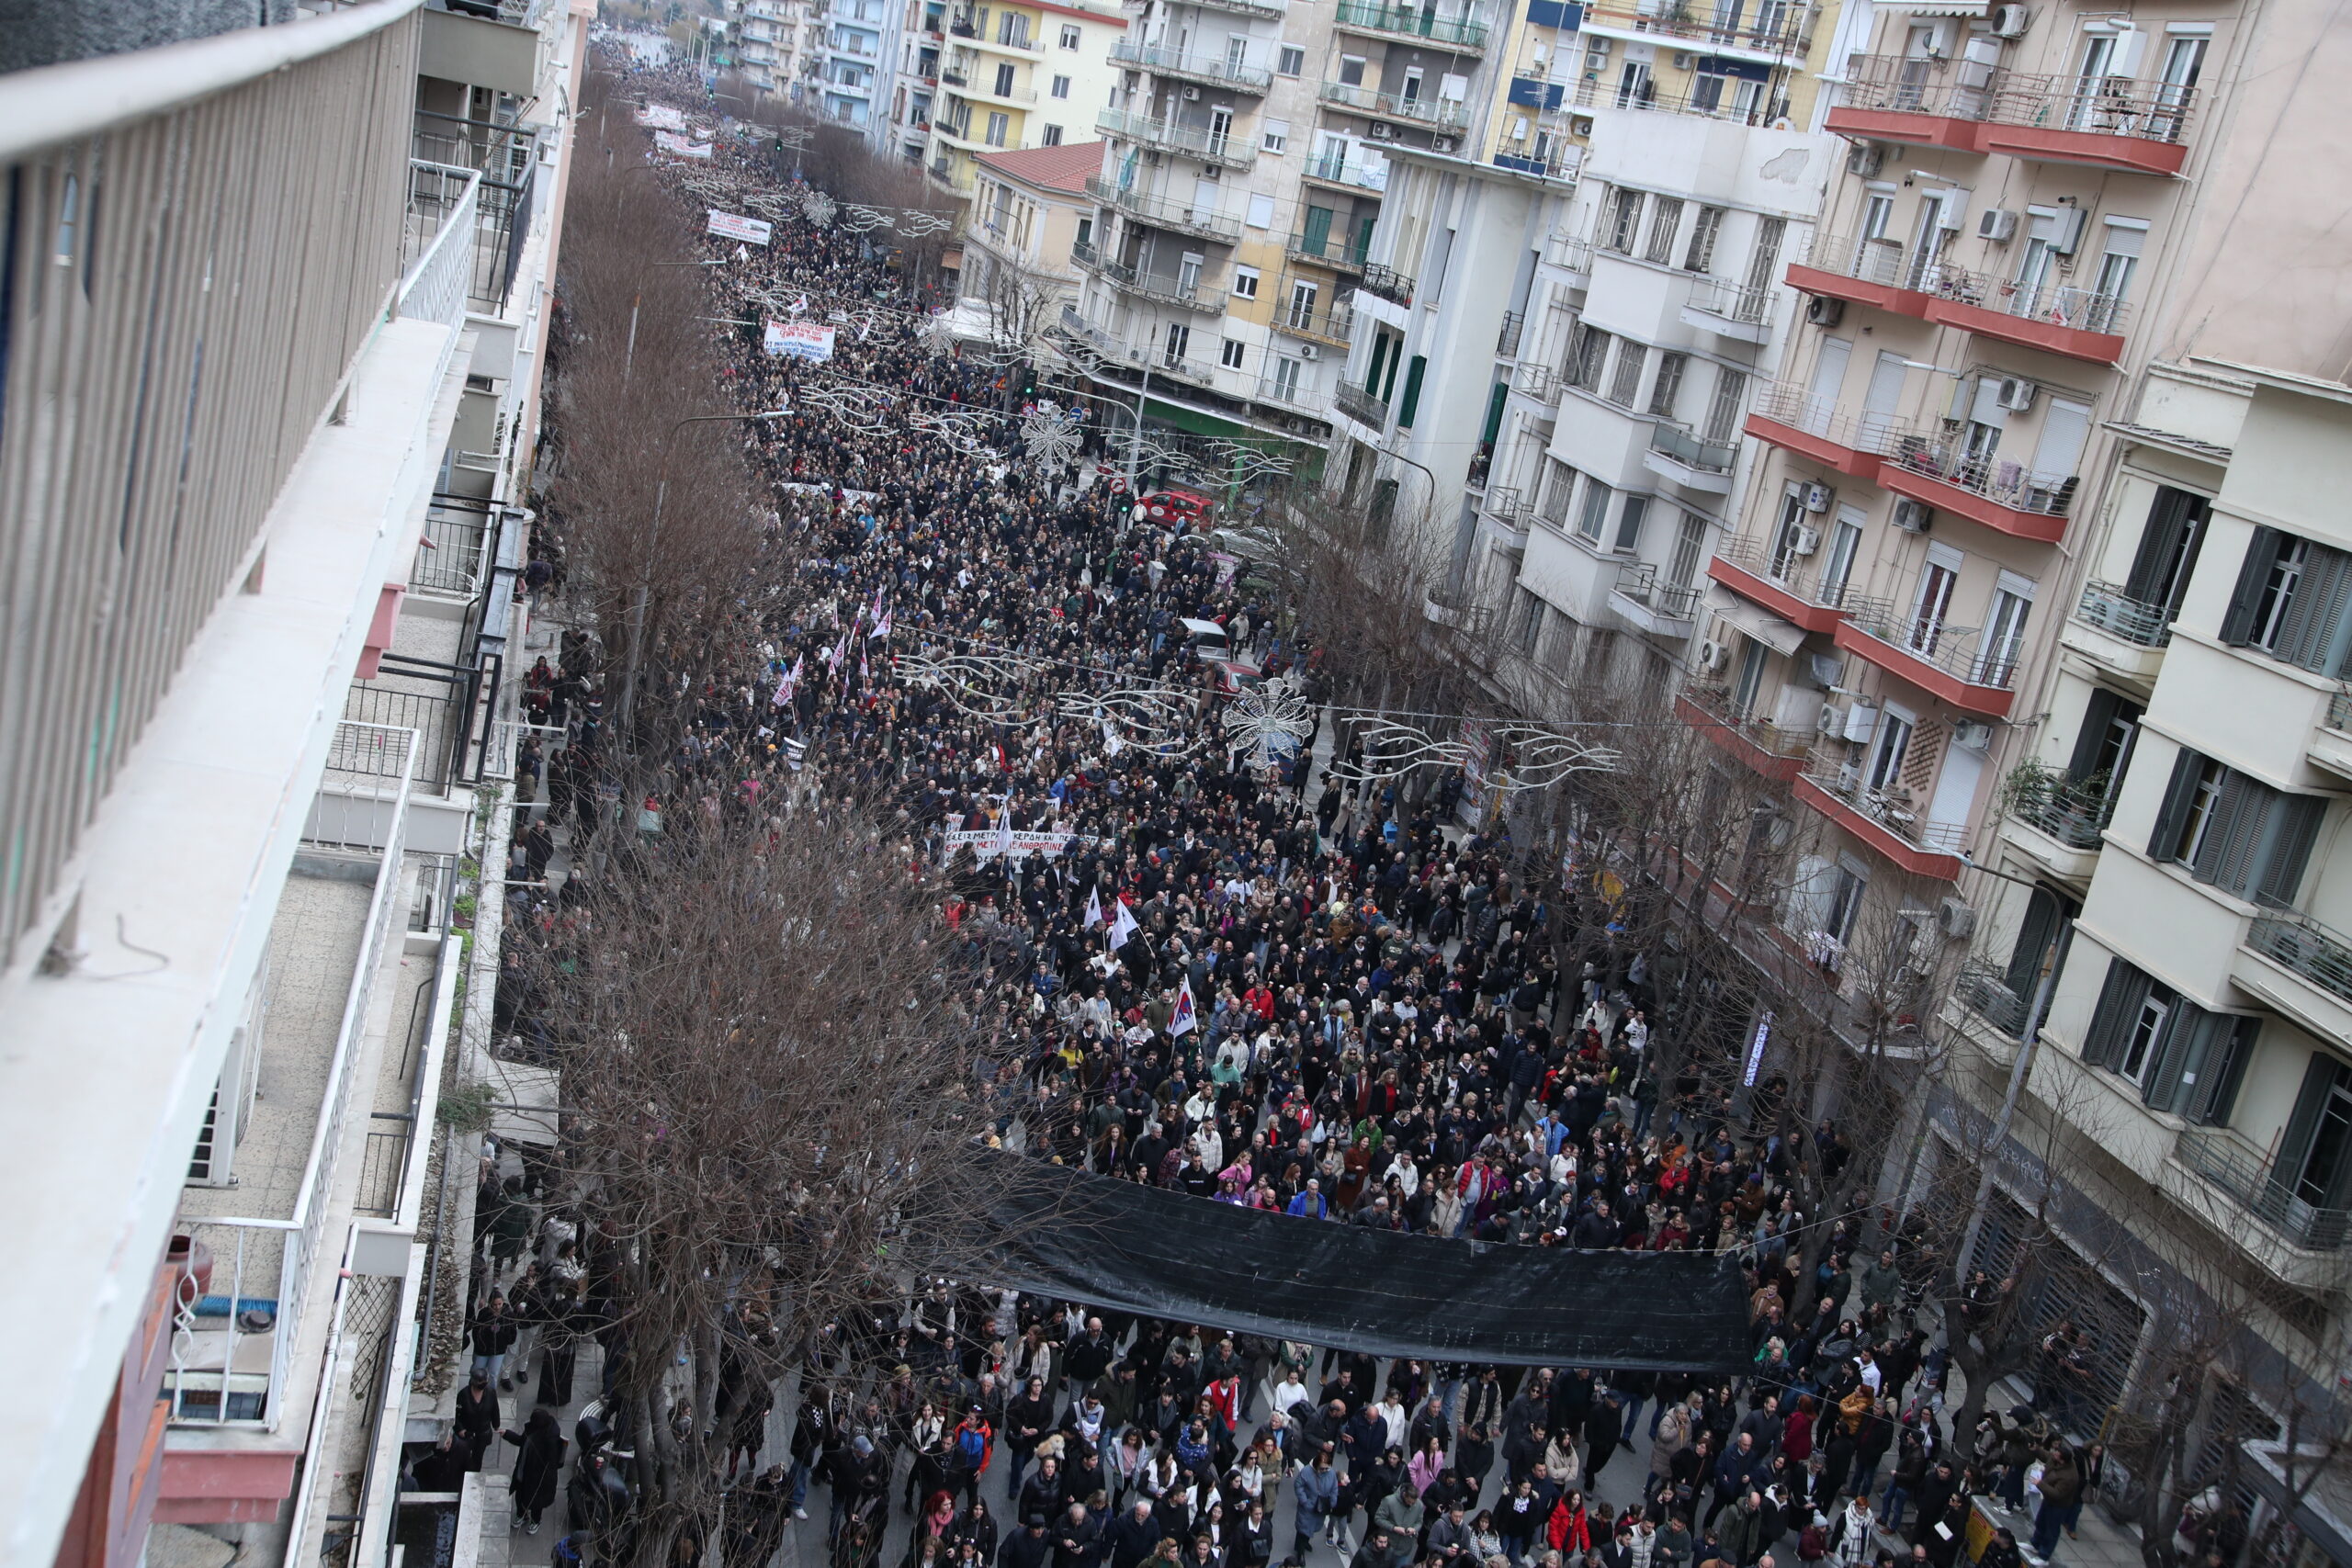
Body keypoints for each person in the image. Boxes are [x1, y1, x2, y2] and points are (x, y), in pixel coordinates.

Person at [500, 1406, 565, 1534]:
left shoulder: (549, 1440)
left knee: (536, 1502)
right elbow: (521, 1441)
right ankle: (522, 1515)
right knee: (520, 1496)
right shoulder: (532, 1430)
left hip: (537, 1478)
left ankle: (536, 1521)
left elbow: (551, 1464)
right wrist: (507, 1434)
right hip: (524, 1472)